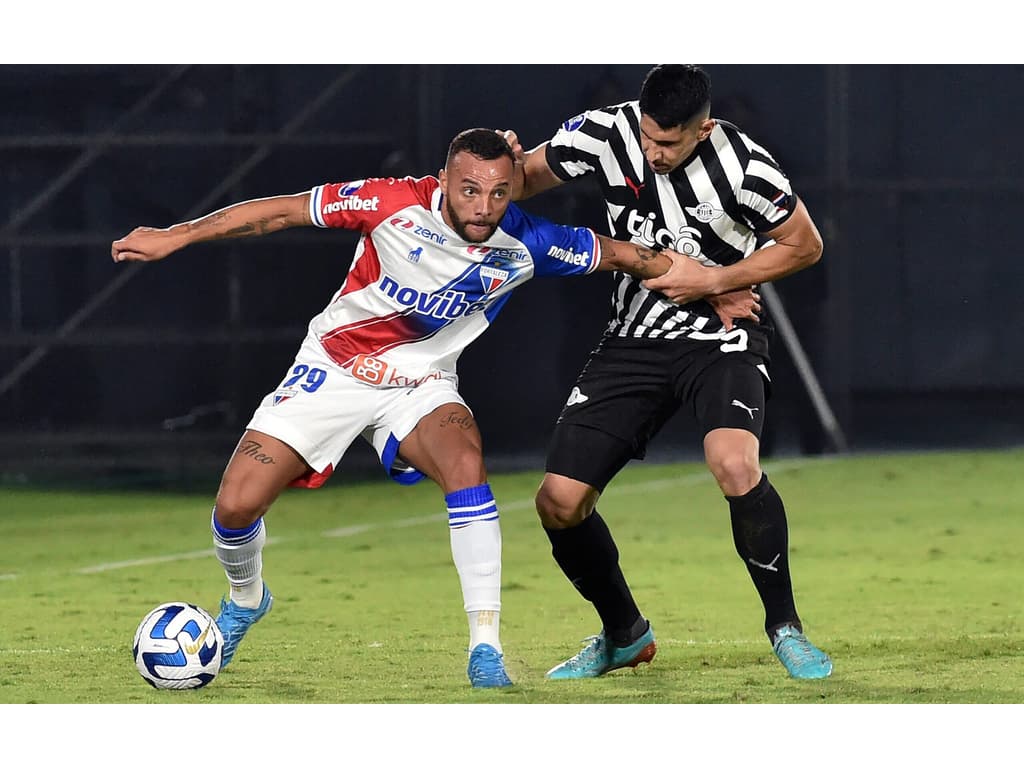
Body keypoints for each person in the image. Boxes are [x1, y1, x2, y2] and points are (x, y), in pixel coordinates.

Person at [110, 128, 744, 688]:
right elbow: (282, 212)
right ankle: (246, 599)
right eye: (470, 190)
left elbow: (628, 255)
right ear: (445, 179)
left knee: (467, 466)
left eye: (500, 193)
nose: (484, 207)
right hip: (333, 367)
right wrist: (179, 235)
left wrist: (714, 287)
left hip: (422, 381)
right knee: (235, 506)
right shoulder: (390, 203)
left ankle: (486, 648)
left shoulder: (530, 242)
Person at [503, 64, 833, 680]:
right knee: (559, 502)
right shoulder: (604, 135)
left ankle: (785, 627)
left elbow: (805, 244)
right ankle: (624, 633)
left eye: (670, 143)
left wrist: (715, 280)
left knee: (736, 464)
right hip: (631, 339)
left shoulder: (746, 166)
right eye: (650, 138)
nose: (655, 152)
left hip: (722, 339)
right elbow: (524, 181)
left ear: (703, 129)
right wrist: (506, 167)